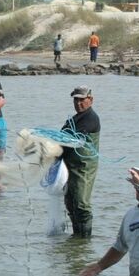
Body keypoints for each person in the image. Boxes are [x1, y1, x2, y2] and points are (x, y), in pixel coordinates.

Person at [61, 86, 100, 238]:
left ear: (90, 100)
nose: (78, 103)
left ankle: (84, 240)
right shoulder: (73, 119)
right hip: (69, 166)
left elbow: (73, 140)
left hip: (84, 167)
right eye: (76, 100)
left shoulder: (91, 118)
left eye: (82, 99)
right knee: (70, 202)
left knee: (81, 203)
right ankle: (76, 238)